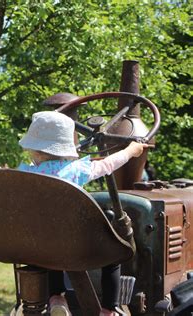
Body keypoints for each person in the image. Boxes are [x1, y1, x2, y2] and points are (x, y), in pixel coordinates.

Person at [18, 111, 148, 316]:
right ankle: (108, 308)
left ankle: (56, 298)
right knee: (114, 251)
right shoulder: (76, 170)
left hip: (41, 243)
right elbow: (108, 165)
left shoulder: (26, 172)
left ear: (34, 150)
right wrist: (132, 150)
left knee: (50, 245)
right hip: (79, 246)